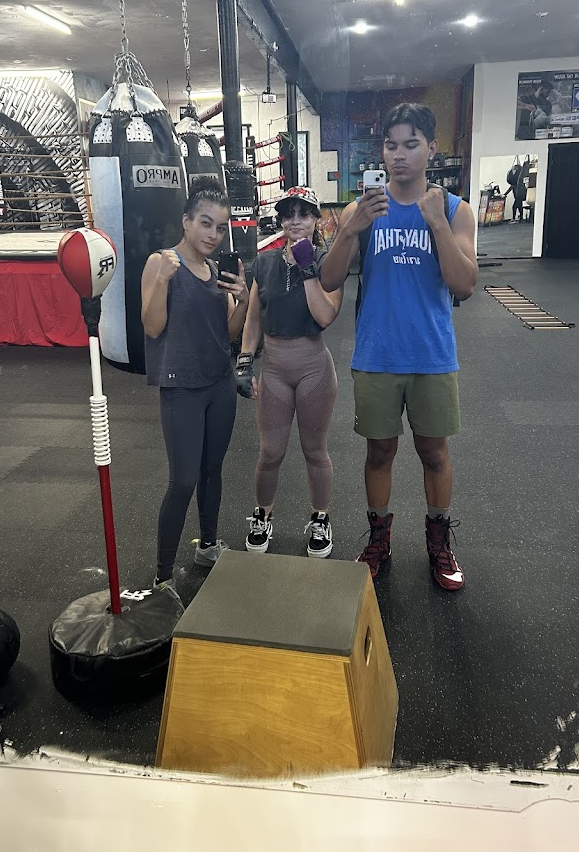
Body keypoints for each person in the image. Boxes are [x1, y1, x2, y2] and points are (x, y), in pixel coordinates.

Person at [321, 104, 478, 591]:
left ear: (432, 147)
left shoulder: (455, 210)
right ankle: (378, 540)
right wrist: (349, 229)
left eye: (411, 144)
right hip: (377, 354)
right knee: (379, 452)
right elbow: (328, 280)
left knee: (434, 452)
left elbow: (465, 284)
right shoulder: (362, 211)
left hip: (432, 354)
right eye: (391, 145)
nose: (400, 155)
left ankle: (439, 542)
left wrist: (436, 225)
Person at [141, 177, 249, 592]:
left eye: (220, 227)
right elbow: (152, 328)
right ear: (186, 221)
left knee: (211, 470)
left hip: (219, 385)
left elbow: (230, 333)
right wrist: (163, 281)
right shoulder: (161, 262)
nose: (213, 234)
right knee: (183, 480)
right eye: (205, 223)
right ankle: (163, 574)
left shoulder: (215, 272)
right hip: (181, 387)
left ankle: (207, 545)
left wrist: (242, 299)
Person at [236, 186, 343, 557]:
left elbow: (325, 316)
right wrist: (244, 360)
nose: (295, 220)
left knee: (315, 451)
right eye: (288, 214)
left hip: (314, 367)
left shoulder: (327, 262)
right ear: (281, 220)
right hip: (275, 367)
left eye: (304, 213)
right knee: (270, 453)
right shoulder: (265, 263)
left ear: (315, 220)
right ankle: (262, 515)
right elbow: (253, 317)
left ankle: (321, 518)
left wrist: (307, 266)